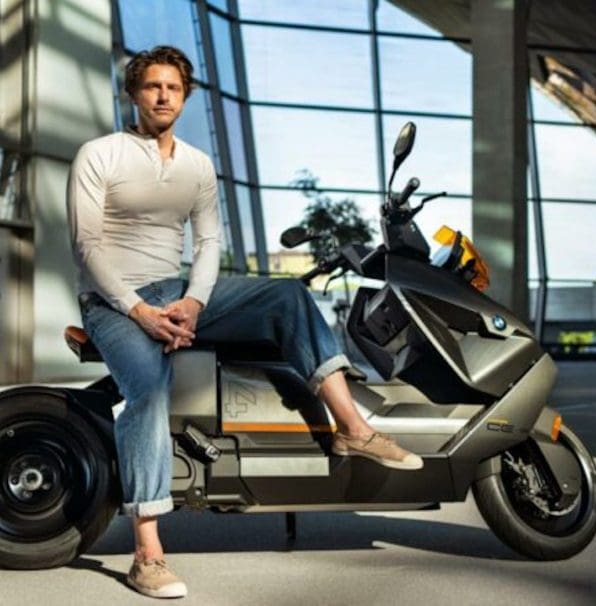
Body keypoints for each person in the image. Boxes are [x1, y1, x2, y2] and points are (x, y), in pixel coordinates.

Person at [67, 45, 423, 599]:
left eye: (174, 88)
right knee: (147, 394)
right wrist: (139, 311)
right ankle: (148, 553)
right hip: (114, 304)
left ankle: (353, 429)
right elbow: (87, 245)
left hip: (177, 292)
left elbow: (209, 242)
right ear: (134, 94)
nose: (163, 95)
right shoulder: (100, 154)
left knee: (287, 297)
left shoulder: (196, 165)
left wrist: (194, 304)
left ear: (184, 97)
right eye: (153, 86)